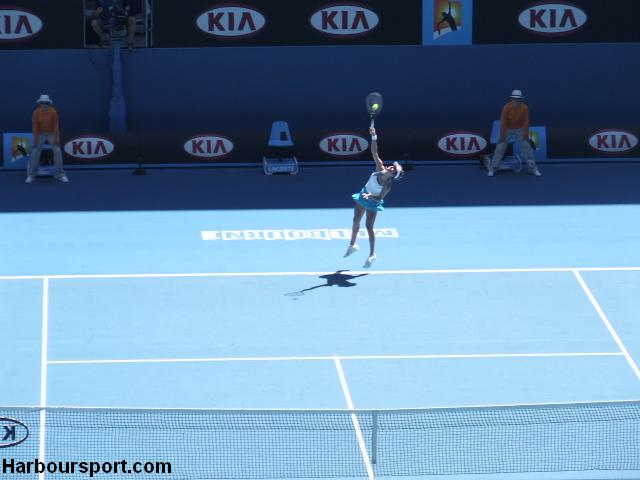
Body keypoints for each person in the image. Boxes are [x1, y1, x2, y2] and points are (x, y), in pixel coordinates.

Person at [344, 126, 403, 268]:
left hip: (372, 202)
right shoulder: (379, 167)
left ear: (393, 175)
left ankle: (372, 255)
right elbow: (374, 152)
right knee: (355, 221)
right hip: (362, 195)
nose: (390, 167)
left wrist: (370, 196)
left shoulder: (387, 186)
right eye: (392, 166)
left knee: (369, 226)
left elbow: (379, 199)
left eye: (393, 169)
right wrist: (374, 136)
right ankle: (352, 245)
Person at [488, 90, 541, 177]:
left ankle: (533, 168)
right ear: (511, 99)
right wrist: (502, 136)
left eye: (518, 99)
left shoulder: (525, 107)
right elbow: (503, 122)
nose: (516, 100)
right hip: (507, 128)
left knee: (527, 148)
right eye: (514, 98)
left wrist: (525, 135)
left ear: (521, 99)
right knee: (500, 148)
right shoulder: (506, 107)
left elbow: (526, 122)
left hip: (520, 128)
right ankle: (493, 168)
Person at [27, 95, 68, 184]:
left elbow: (56, 125)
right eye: (42, 103)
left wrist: (56, 138)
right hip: (40, 134)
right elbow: (35, 126)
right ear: (40, 103)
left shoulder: (53, 111)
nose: (44, 104)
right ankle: (31, 175)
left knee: (57, 151)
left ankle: (60, 175)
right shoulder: (36, 112)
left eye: (46, 103)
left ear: (49, 103)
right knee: (35, 151)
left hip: (52, 133)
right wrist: (36, 139)